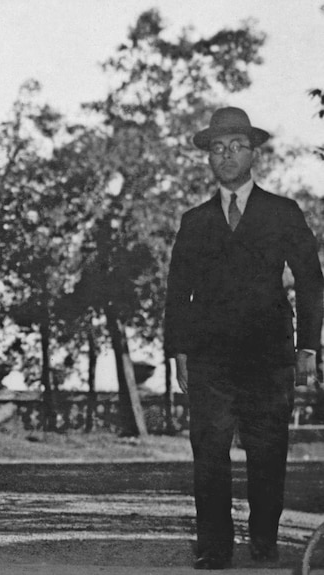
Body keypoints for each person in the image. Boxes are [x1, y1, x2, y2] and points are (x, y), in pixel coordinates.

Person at [165, 106, 324, 570]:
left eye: (236, 147)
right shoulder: (194, 221)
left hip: (269, 356)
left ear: (253, 153)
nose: (227, 155)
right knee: (209, 452)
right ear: (208, 159)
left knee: (268, 451)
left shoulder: (283, 212)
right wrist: (178, 350)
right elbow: (177, 291)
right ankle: (214, 547)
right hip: (210, 358)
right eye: (218, 148)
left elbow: (311, 282)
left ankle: (264, 541)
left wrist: (309, 348)